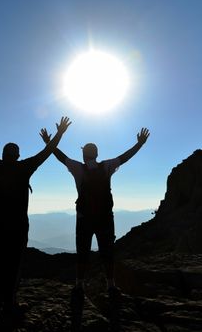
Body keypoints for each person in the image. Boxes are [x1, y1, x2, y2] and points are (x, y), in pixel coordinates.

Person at [0, 116, 71, 319]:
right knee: (14, 263)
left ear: (4, 154)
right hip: (19, 225)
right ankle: (9, 302)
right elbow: (46, 153)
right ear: (18, 154)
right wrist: (60, 133)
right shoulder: (25, 167)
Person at [40, 127, 150, 300]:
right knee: (107, 251)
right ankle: (111, 284)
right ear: (97, 154)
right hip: (105, 217)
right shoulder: (107, 166)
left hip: (84, 218)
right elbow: (125, 157)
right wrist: (139, 144)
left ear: (84, 154)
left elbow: (60, 157)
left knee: (82, 250)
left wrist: (48, 141)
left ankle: (79, 284)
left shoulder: (78, 168)